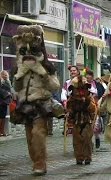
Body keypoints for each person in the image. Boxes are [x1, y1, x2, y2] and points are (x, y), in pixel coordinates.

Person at [11, 25, 61, 175]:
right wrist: (19, 75)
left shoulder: (46, 66)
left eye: (32, 50)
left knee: (38, 133)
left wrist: (43, 73)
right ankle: (36, 162)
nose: (28, 54)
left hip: (40, 103)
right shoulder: (20, 67)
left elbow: (55, 86)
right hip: (25, 105)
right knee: (30, 136)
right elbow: (17, 87)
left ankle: (40, 163)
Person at [61, 66, 80, 135]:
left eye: (74, 70)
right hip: (70, 100)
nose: (72, 72)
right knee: (67, 112)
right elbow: (64, 92)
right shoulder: (67, 82)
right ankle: (68, 127)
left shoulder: (82, 80)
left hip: (80, 100)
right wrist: (64, 101)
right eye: (71, 71)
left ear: (77, 72)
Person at [0, 70, 12, 136]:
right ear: (1, 75)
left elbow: (10, 90)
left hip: (5, 102)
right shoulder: (1, 82)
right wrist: (7, 93)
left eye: (6, 74)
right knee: (1, 117)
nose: (5, 76)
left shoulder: (8, 82)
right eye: (4, 74)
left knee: (3, 117)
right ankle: (1, 131)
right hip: (1, 102)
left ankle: (2, 131)